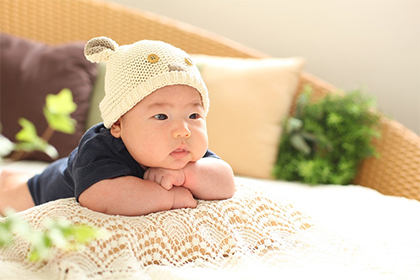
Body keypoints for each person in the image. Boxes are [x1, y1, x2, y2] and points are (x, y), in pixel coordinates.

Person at [0, 37, 236, 216]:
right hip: (45, 187)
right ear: (118, 125)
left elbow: (225, 181)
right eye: (162, 116)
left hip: (69, 167)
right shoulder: (98, 146)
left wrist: (185, 175)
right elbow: (102, 196)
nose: (183, 129)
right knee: (9, 195)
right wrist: (171, 197)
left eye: (194, 114)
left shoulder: (183, 150)